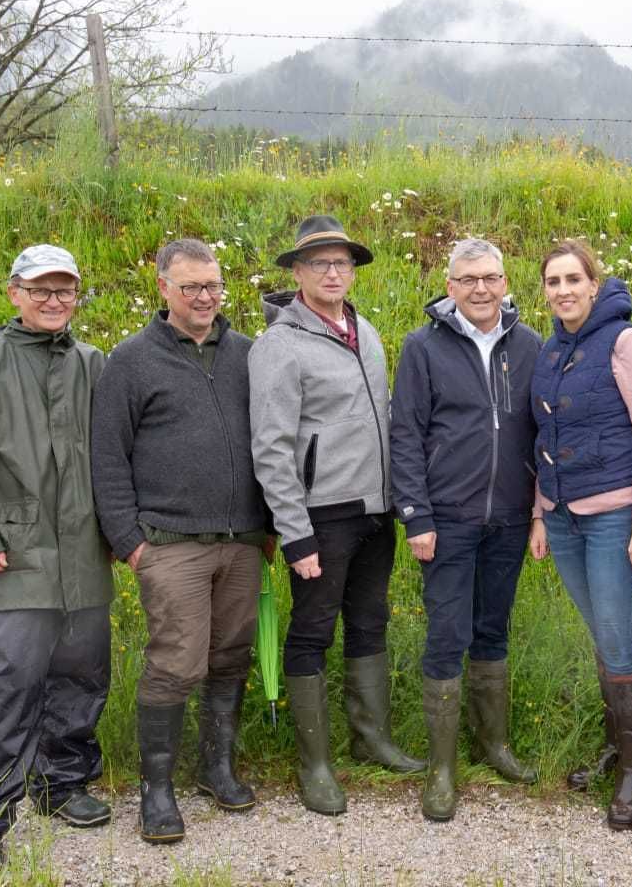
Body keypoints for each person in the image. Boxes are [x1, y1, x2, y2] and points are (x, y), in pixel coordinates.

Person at [91, 238, 272, 844]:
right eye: (191, 286)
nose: (204, 297)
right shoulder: (131, 360)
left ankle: (215, 768)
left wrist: (270, 526)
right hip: (169, 543)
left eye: (214, 286)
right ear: (163, 286)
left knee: (231, 655)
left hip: (243, 541)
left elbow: (274, 440)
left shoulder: (249, 354)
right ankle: (157, 790)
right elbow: (107, 456)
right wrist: (129, 540)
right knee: (178, 661)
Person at [0, 244, 111, 874]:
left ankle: (60, 784)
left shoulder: (95, 364)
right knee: (13, 682)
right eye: (41, 289)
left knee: (83, 673)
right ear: (14, 292)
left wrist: (119, 531)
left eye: (64, 290)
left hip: (86, 550)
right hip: (15, 549)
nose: (53, 300)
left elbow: (115, 456)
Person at [248, 215, 423, 817]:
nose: (331, 272)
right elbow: (270, 448)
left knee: (370, 621)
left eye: (341, 262)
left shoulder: (363, 330)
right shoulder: (279, 346)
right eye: (318, 263)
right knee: (312, 631)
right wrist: (294, 535)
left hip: (375, 512)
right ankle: (315, 764)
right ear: (296, 273)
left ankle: (370, 738)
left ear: (352, 271)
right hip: (320, 519)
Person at [389, 238, 542, 822]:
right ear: (449, 287)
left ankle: (493, 743)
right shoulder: (423, 348)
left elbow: (541, 433)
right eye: (469, 279)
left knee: (493, 629)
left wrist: (537, 512)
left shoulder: (529, 346)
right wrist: (417, 516)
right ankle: (443, 765)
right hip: (446, 519)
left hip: (508, 518)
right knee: (447, 633)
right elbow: (407, 435)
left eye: (491, 277)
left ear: (506, 283)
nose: (481, 289)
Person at [527, 239, 632, 830]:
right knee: (601, 636)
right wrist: (538, 512)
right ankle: (617, 748)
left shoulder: (625, 341)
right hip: (561, 517)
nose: (562, 291)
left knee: (617, 637)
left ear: (593, 283)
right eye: (552, 282)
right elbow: (545, 441)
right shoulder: (551, 349)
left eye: (572, 279)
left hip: (614, 516)